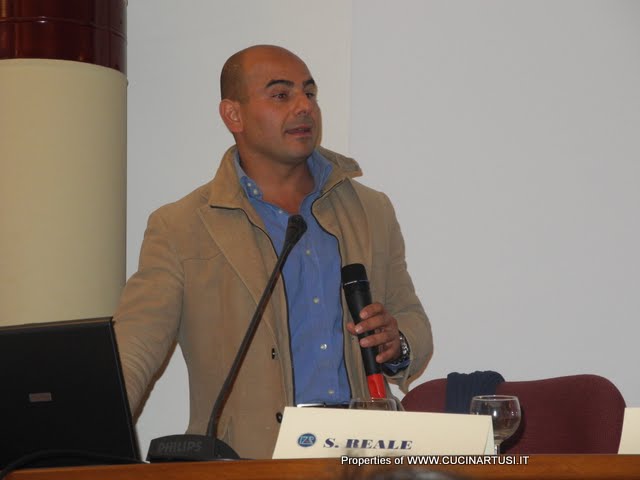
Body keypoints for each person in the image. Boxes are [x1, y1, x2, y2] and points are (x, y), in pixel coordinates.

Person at [114, 44, 433, 459]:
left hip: (362, 455)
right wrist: (81, 445)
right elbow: (134, 350)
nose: (304, 107)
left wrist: (397, 342)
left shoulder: (371, 210)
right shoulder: (181, 227)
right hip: (246, 461)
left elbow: (411, 320)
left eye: (310, 93)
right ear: (233, 115)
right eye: (282, 95)